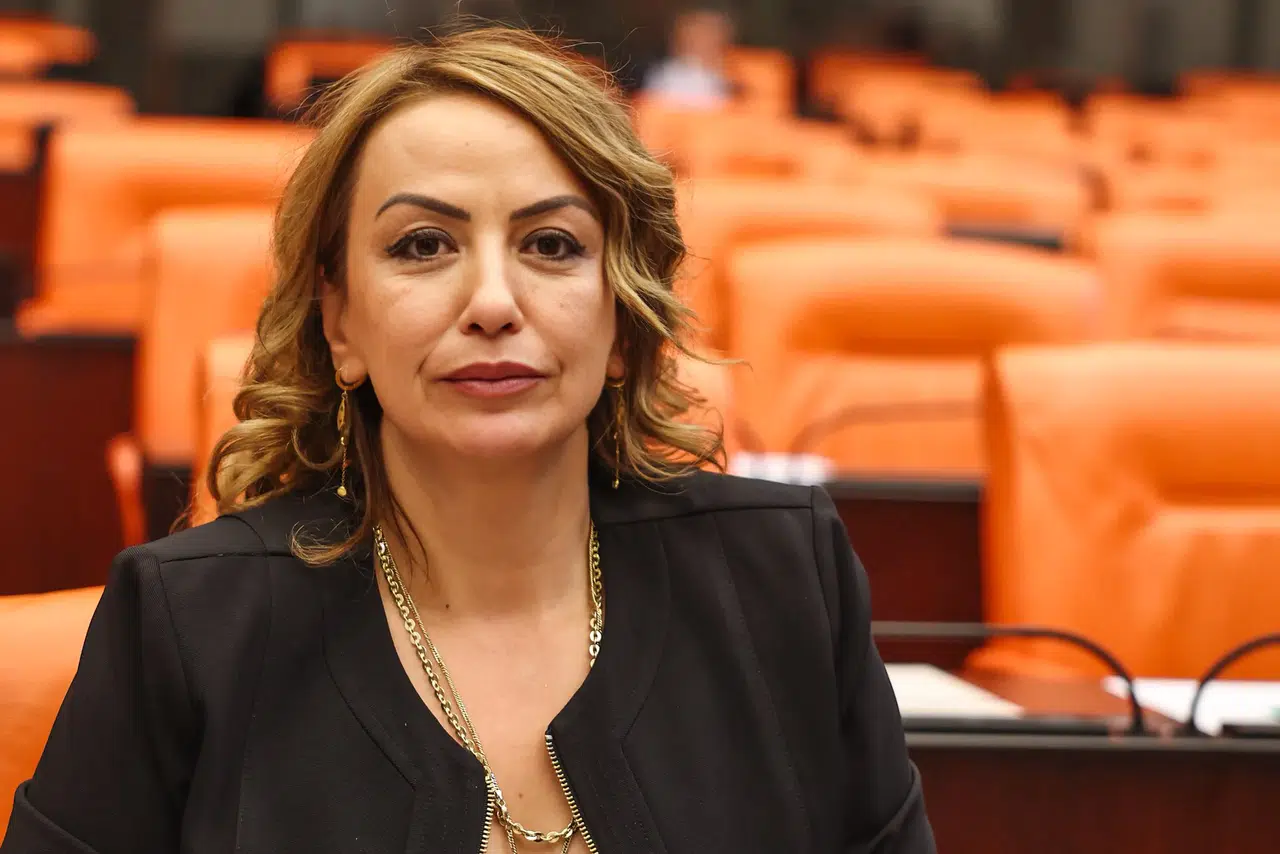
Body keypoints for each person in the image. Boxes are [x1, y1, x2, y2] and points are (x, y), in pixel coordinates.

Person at [2, 27, 933, 854]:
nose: (492, 303)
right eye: (423, 245)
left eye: (553, 245)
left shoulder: (783, 579)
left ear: (621, 318)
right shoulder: (187, 626)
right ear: (339, 323)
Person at [641, 7, 736, 108]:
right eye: (696, 33)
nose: (705, 39)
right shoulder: (666, 77)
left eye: (712, 31)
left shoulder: (737, 71)